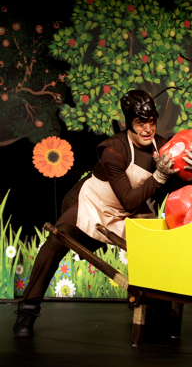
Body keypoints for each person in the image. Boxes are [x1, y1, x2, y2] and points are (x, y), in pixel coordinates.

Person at [13, 89, 178, 338]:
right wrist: (159, 176)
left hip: (129, 213)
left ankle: (159, 316)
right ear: (129, 123)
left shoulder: (163, 146)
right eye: (140, 123)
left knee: (155, 251)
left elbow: (177, 176)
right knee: (56, 241)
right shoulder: (114, 150)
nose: (147, 129)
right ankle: (27, 311)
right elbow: (129, 199)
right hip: (95, 203)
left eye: (151, 122)